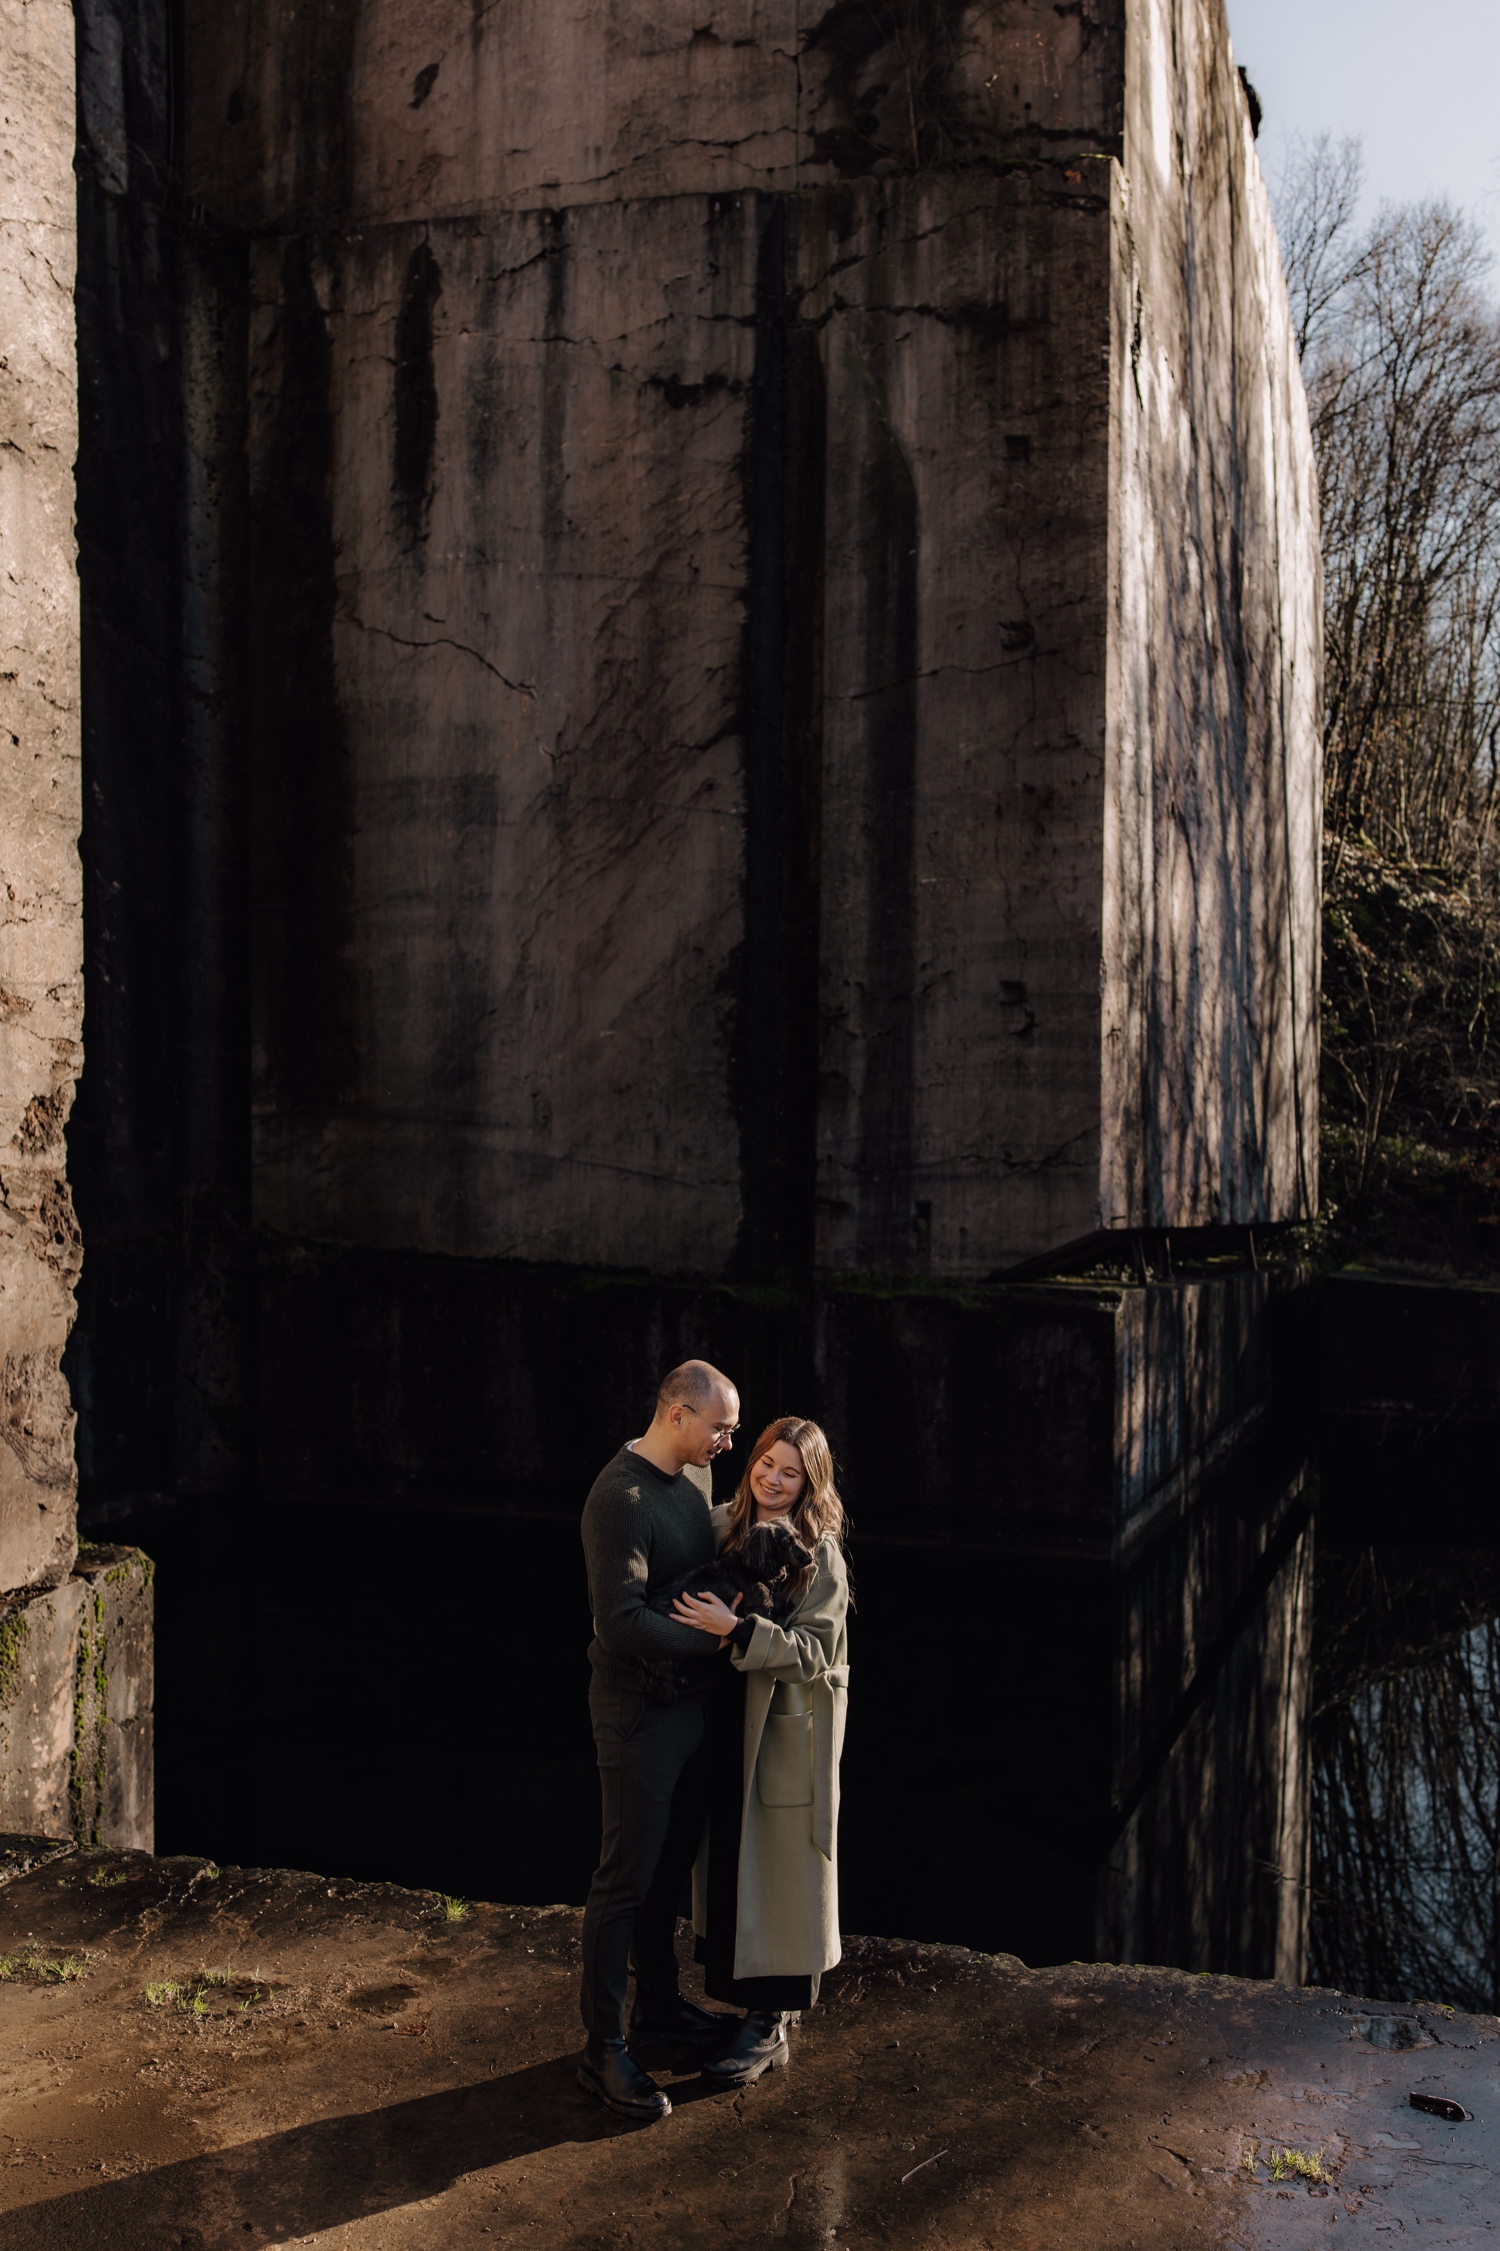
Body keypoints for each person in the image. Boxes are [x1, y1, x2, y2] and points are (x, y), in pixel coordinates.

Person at [577, 1358, 742, 2121]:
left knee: (672, 1868)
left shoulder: (694, 1481)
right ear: (677, 1414)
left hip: (690, 1712)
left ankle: (662, 2010)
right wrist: (715, 1641)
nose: (728, 1442)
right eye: (720, 1426)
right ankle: (602, 2048)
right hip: (637, 1715)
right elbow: (619, 1621)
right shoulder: (621, 1498)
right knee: (626, 1879)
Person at [671, 1415, 850, 2090]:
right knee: (730, 1860)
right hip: (727, 1721)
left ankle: (771, 2019)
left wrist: (737, 1628)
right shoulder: (722, 1522)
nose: (773, 1480)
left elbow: (815, 1651)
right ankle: (743, 2006)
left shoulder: (818, 1549)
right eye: (765, 1465)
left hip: (783, 1726)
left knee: (780, 1871)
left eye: (790, 1472)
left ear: (810, 1481)